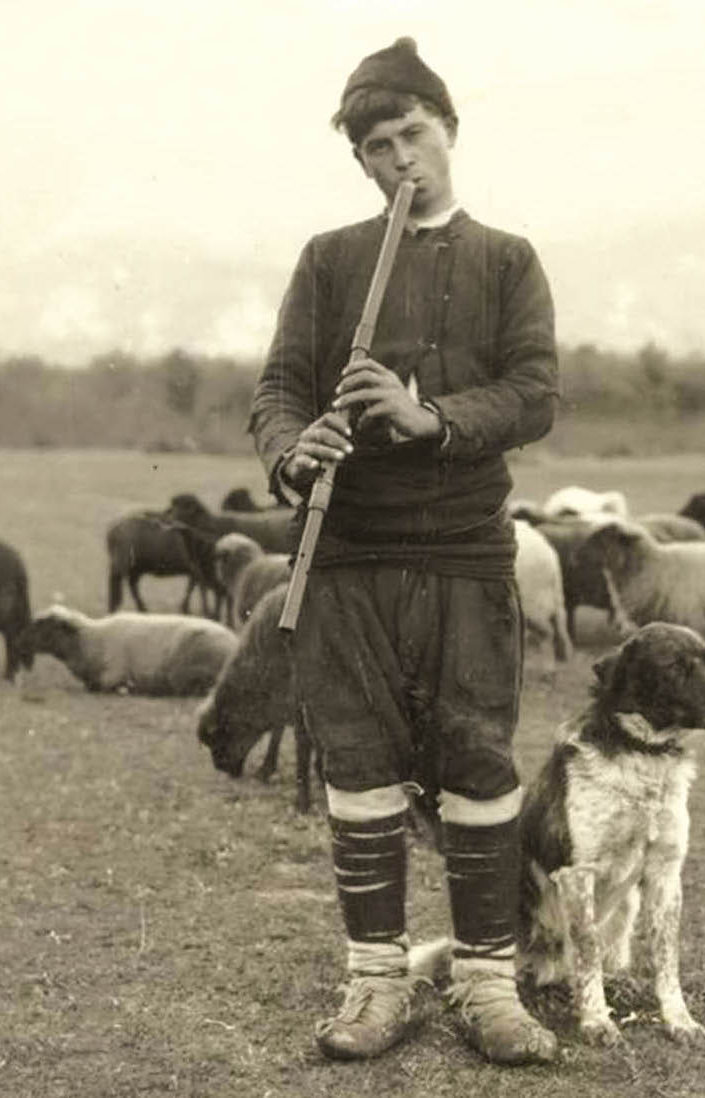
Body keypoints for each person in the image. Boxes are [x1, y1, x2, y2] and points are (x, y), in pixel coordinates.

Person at [249, 36, 559, 1065]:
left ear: (449, 131)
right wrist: (297, 450)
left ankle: (484, 985)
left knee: (476, 758)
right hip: (345, 549)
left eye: (412, 135)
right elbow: (280, 386)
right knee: (360, 761)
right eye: (377, 148)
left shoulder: (506, 258)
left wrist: (426, 415)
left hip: (464, 550)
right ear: (362, 164)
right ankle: (375, 982)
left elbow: (533, 395)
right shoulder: (328, 259)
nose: (398, 161)